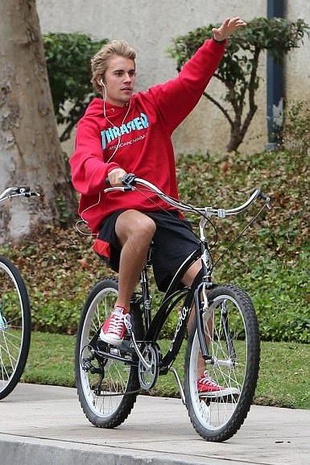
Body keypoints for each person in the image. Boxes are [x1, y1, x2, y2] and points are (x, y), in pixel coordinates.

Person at [70, 16, 246, 394]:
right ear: (101, 79)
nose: (128, 79)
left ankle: (199, 377)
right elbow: (83, 162)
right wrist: (110, 172)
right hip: (118, 213)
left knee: (202, 283)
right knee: (142, 227)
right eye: (119, 73)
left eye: (132, 72)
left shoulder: (152, 107)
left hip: (162, 208)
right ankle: (119, 313)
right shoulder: (92, 122)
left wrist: (216, 43)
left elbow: (190, 82)